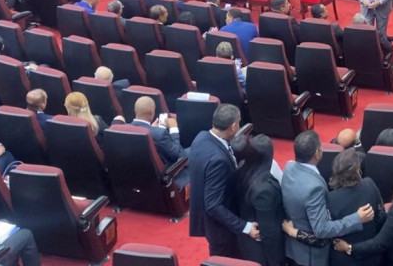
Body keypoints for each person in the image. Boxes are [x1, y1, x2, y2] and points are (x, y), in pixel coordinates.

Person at [282, 130, 374, 266]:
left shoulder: (288, 167)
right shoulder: (315, 188)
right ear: (317, 153)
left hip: (293, 249)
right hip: (311, 257)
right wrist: (357, 218)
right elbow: (322, 229)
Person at [189, 104, 259, 257]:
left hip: (208, 221)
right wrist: (244, 227)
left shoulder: (201, 137)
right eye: (239, 122)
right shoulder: (218, 161)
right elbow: (213, 205)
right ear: (233, 126)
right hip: (221, 230)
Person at [315, 148, 385, 266]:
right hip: (370, 254)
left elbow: (328, 230)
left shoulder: (330, 198)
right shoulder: (370, 185)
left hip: (342, 257)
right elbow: (380, 216)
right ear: (357, 170)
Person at [235, 135, 285, 266]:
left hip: (246, 239)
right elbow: (268, 231)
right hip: (261, 249)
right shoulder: (264, 189)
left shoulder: (242, 168)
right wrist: (276, 261)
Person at [112, 96, 186, 166]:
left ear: (135, 110)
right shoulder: (160, 134)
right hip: (169, 171)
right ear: (151, 112)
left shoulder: (121, 129)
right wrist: (174, 129)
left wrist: (151, 128)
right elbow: (176, 154)